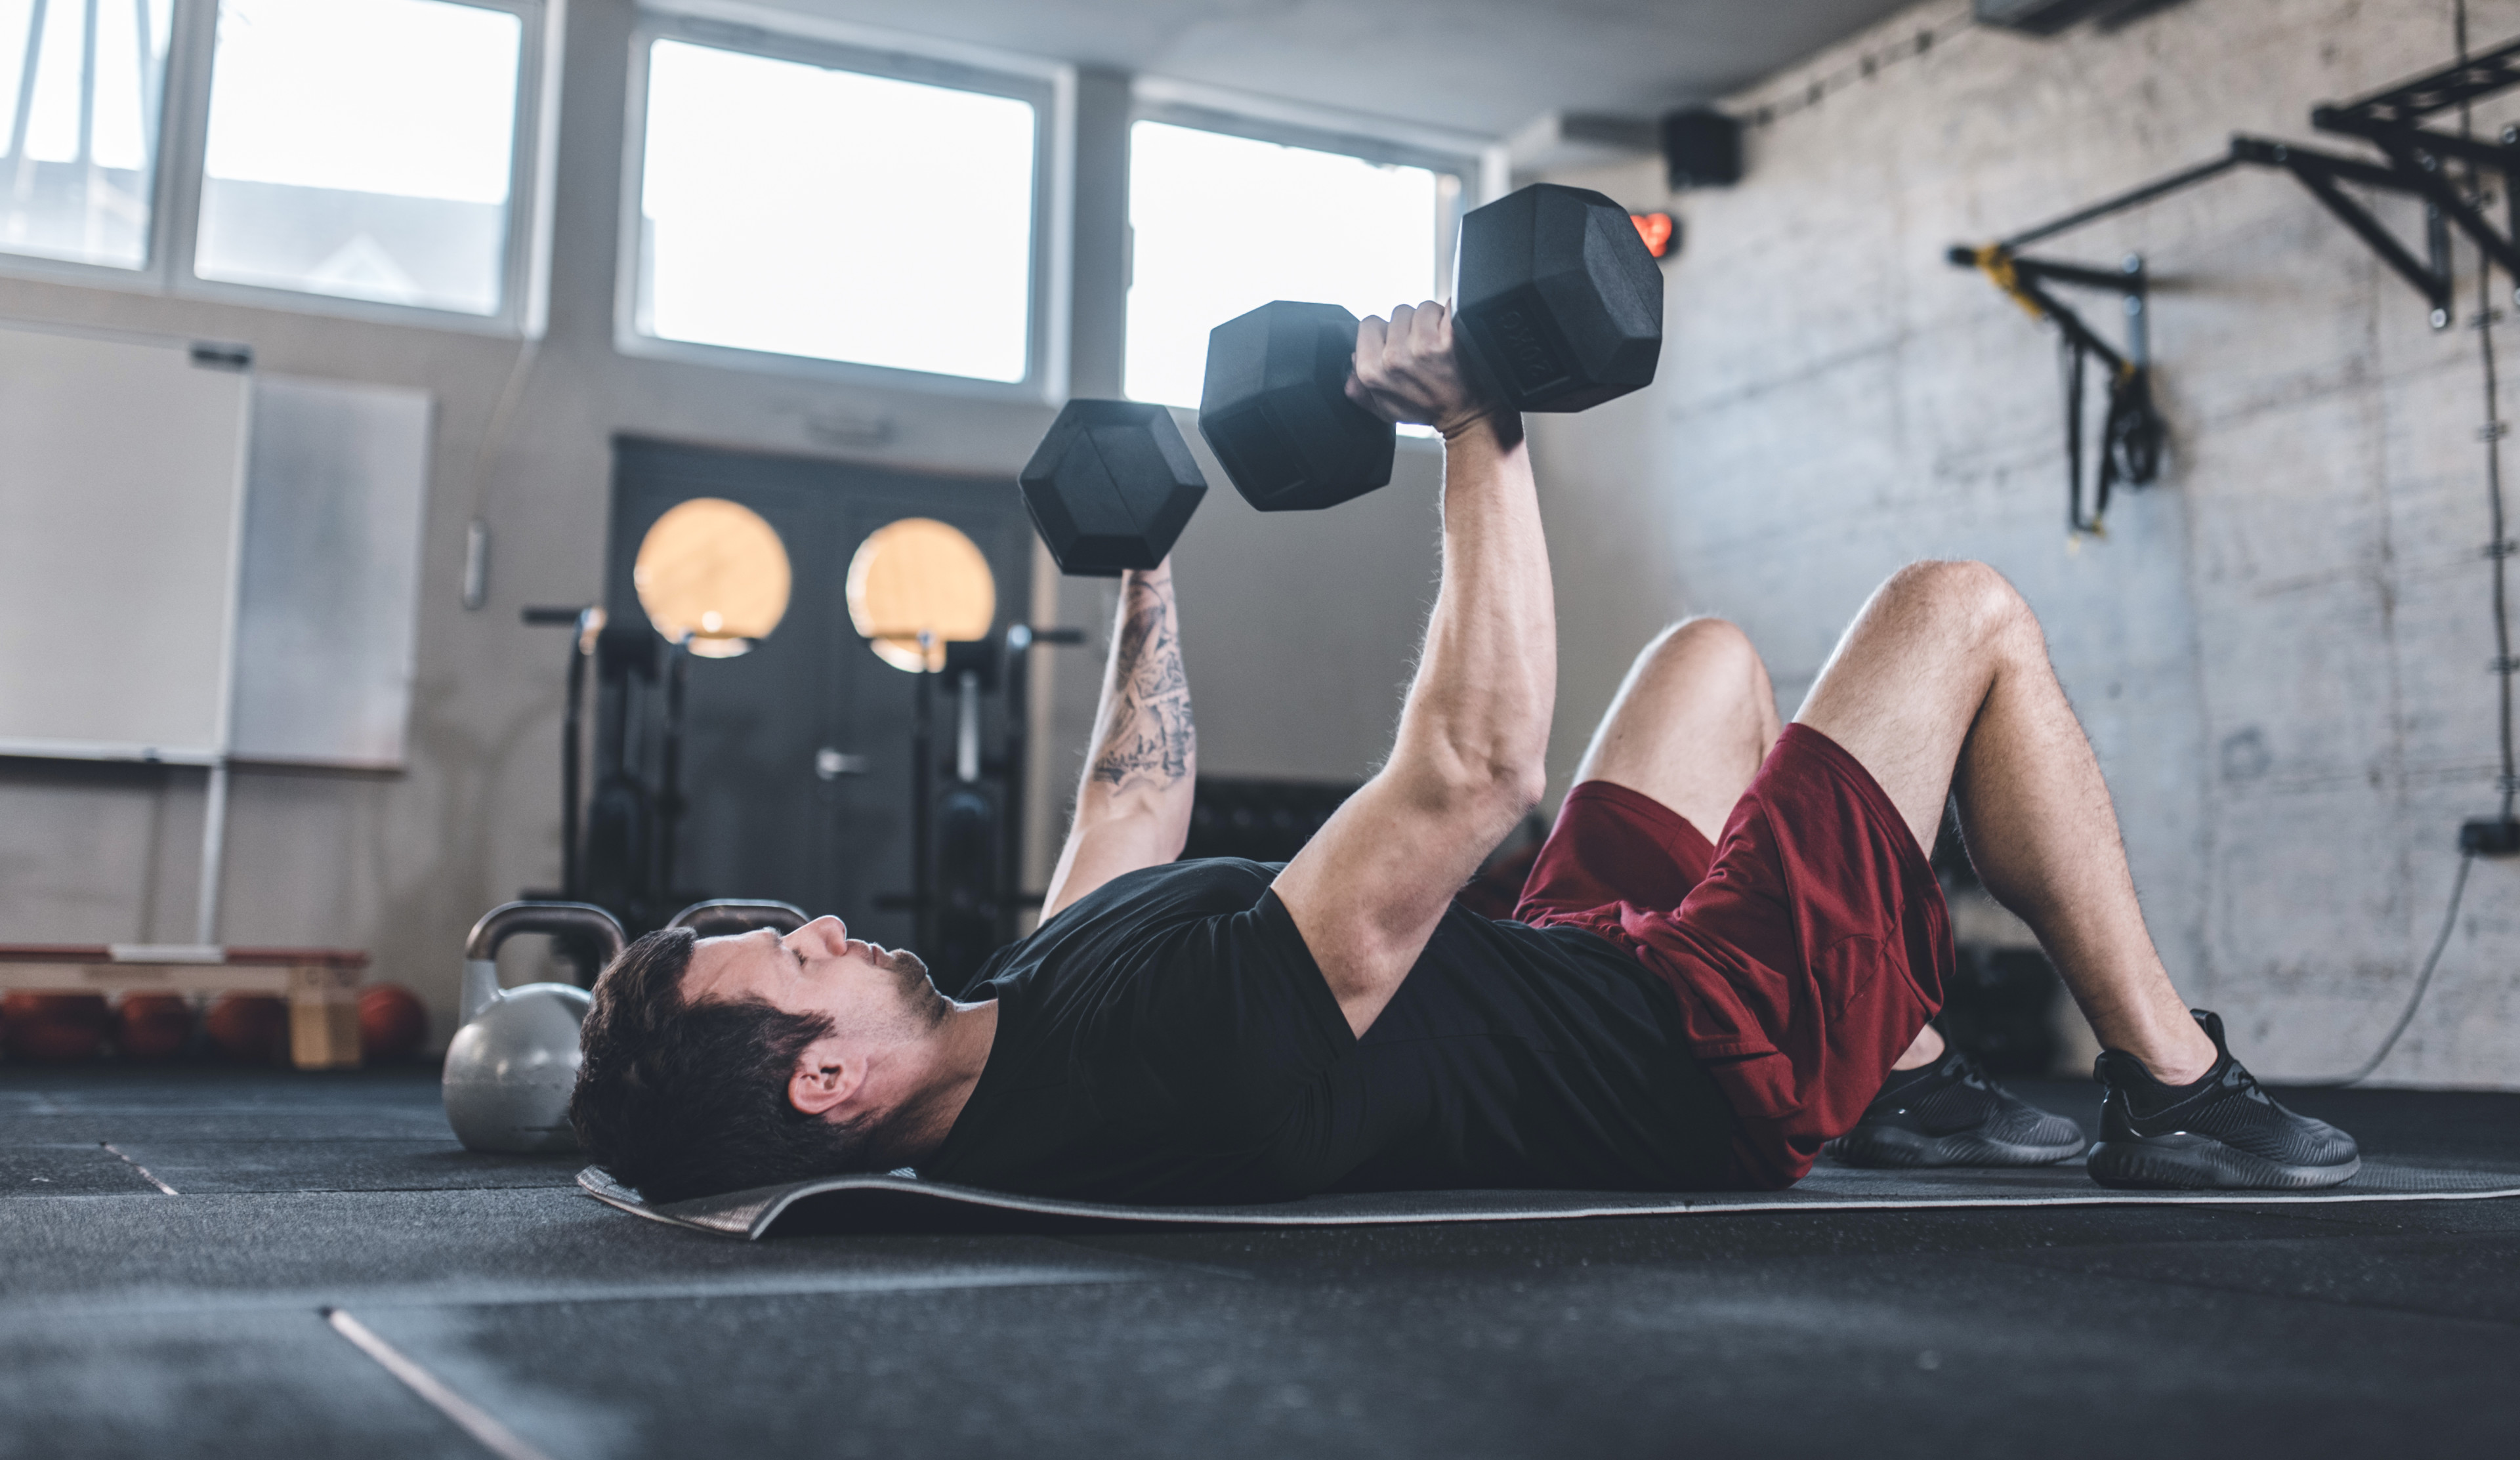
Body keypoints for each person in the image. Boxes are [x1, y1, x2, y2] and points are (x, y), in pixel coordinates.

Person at [570, 302, 2357, 1205]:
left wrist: (1145, 565)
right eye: (790, 958)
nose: (821, 924)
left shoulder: (1016, 1009)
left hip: (1578, 966)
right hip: (1702, 1050)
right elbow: (1476, 768)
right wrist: (1477, 428)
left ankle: (1900, 1061)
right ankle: (2176, 1088)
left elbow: (1132, 808)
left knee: (1709, 659)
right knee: (1956, 608)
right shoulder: (1155, 1053)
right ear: (824, 1085)